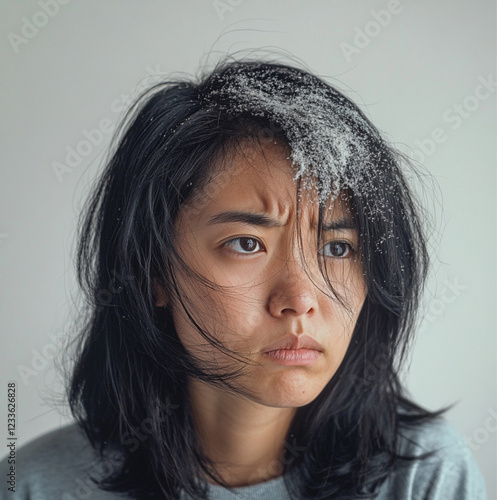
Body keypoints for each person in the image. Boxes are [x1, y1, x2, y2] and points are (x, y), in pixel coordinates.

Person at [1, 60, 486, 499]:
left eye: (337, 248)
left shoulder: (425, 477)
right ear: (153, 272)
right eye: (246, 244)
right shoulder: (33, 486)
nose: (299, 300)